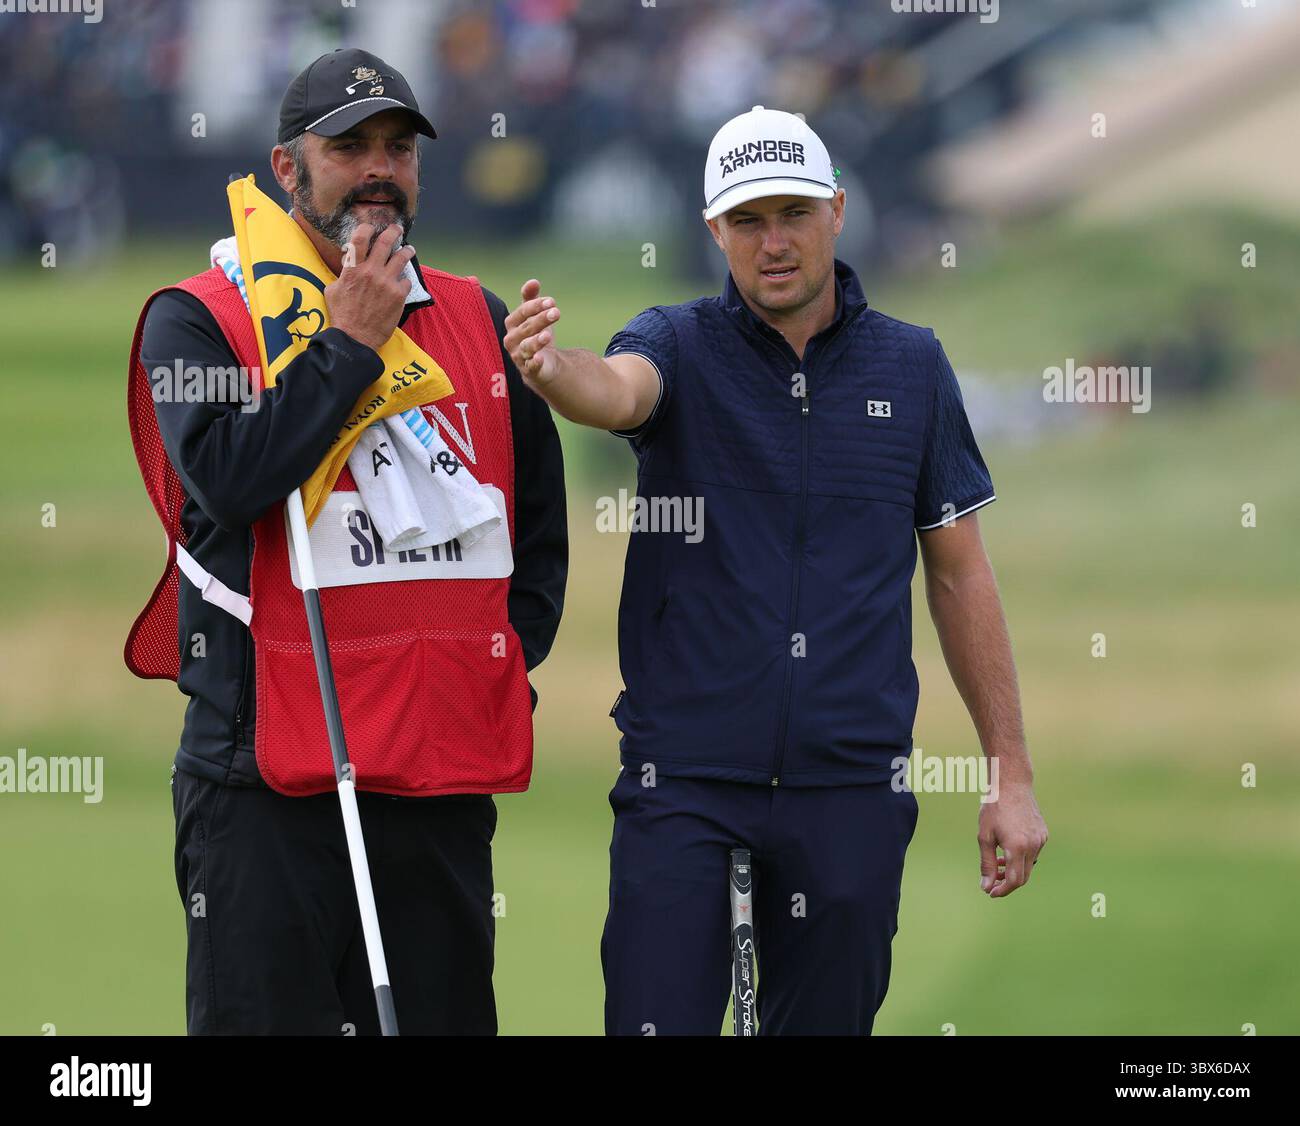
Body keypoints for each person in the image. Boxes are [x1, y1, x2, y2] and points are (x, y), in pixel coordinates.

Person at [504, 106, 1047, 1035]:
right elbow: (618, 388)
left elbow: (959, 575)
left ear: (838, 211)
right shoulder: (675, 341)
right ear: (714, 230)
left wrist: (1010, 770)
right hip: (686, 782)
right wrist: (552, 372)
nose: (775, 242)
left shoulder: (912, 366)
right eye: (747, 221)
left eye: (794, 212)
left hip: (849, 785)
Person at [124, 49, 567, 1035]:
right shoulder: (198, 322)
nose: (378, 168)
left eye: (397, 148)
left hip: (434, 781)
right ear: (288, 171)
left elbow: (533, 542)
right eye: (348, 147)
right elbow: (233, 480)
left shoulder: (477, 318)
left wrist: (487, 670)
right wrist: (348, 346)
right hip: (262, 787)